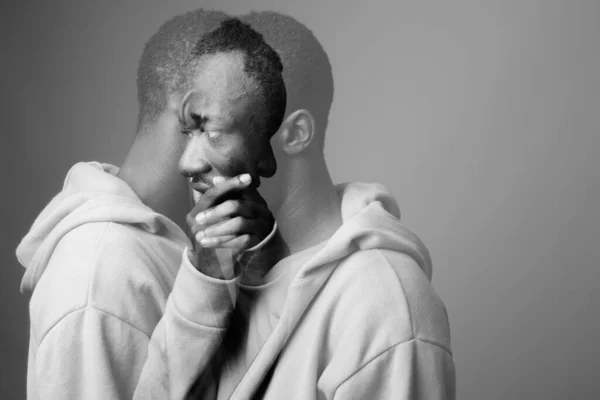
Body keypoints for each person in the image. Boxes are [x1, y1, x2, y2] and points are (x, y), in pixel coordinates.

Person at [182, 12, 456, 399]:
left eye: (213, 132)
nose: (187, 162)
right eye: (189, 132)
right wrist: (202, 287)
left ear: (294, 134)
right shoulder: (225, 275)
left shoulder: (385, 305)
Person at [15, 10, 285, 400]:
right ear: (194, 112)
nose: (267, 164)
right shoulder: (100, 272)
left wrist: (258, 279)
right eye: (258, 130)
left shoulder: (188, 252)